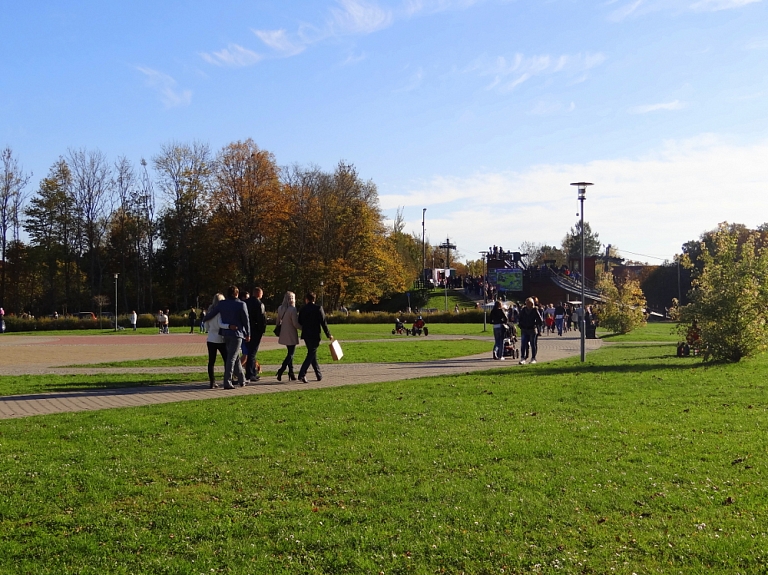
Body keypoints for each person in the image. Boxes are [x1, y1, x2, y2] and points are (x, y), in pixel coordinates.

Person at [203, 285, 250, 389]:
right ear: (237, 294)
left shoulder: (222, 304)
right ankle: (227, 382)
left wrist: (204, 319)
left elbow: (212, 314)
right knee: (232, 358)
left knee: (236, 357)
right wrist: (248, 334)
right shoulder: (241, 304)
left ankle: (242, 379)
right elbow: (246, 321)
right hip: (237, 333)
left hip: (225, 334)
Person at [297, 291, 333, 383]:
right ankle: (302, 373)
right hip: (315, 334)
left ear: (306, 299)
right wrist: (328, 334)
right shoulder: (318, 308)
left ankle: (318, 374)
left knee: (312, 353)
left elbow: (300, 321)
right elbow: (323, 322)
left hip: (306, 334)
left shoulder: (303, 309)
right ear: (314, 299)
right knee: (311, 354)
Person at [275, 291, 301, 382]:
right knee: (291, 354)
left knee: (290, 353)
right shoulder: (292, 309)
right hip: (291, 333)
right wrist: (303, 328)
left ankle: (291, 372)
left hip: (283, 333)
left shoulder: (280, 308)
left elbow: (277, 321)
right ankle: (281, 370)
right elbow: (295, 324)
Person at [245, 287, 267, 382]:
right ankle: (250, 374)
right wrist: (262, 330)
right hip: (256, 330)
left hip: (247, 330)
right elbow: (261, 318)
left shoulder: (246, 303)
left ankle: (251, 372)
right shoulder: (259, 304)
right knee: (252, 353)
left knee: (248, 352)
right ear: (259, 294)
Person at [204, 294, 227, 389]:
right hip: (221, 339)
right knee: (226, 360)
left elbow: (206, 327)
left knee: (211, 361)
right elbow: (221, 325)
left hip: (211, 339)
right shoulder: (221, 312)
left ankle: (212, 381)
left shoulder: (209, 312)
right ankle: (227, 379)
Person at [518, 297, 543, 365]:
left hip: (532, 329)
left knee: (533, 344)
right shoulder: (523, 310)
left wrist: (535, 325)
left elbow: (540, 320)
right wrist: (521, 325)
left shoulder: (535, 310)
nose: (528, 305)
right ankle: (522, 358)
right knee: (523, 344)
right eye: (527, 303)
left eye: (530, 303)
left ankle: (533, 358)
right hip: (524, 329)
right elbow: (520, 318)